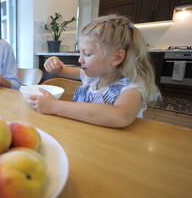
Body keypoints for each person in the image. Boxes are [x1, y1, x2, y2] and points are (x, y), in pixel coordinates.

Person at [28, 15, 160, 128]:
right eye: (80, 52)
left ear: (116, 57)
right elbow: (59, 70)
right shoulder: (91, 77)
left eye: (87, 54)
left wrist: (55, 106)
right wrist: (54, 64)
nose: (80, 60)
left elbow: (121, 116)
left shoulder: (130, 89)